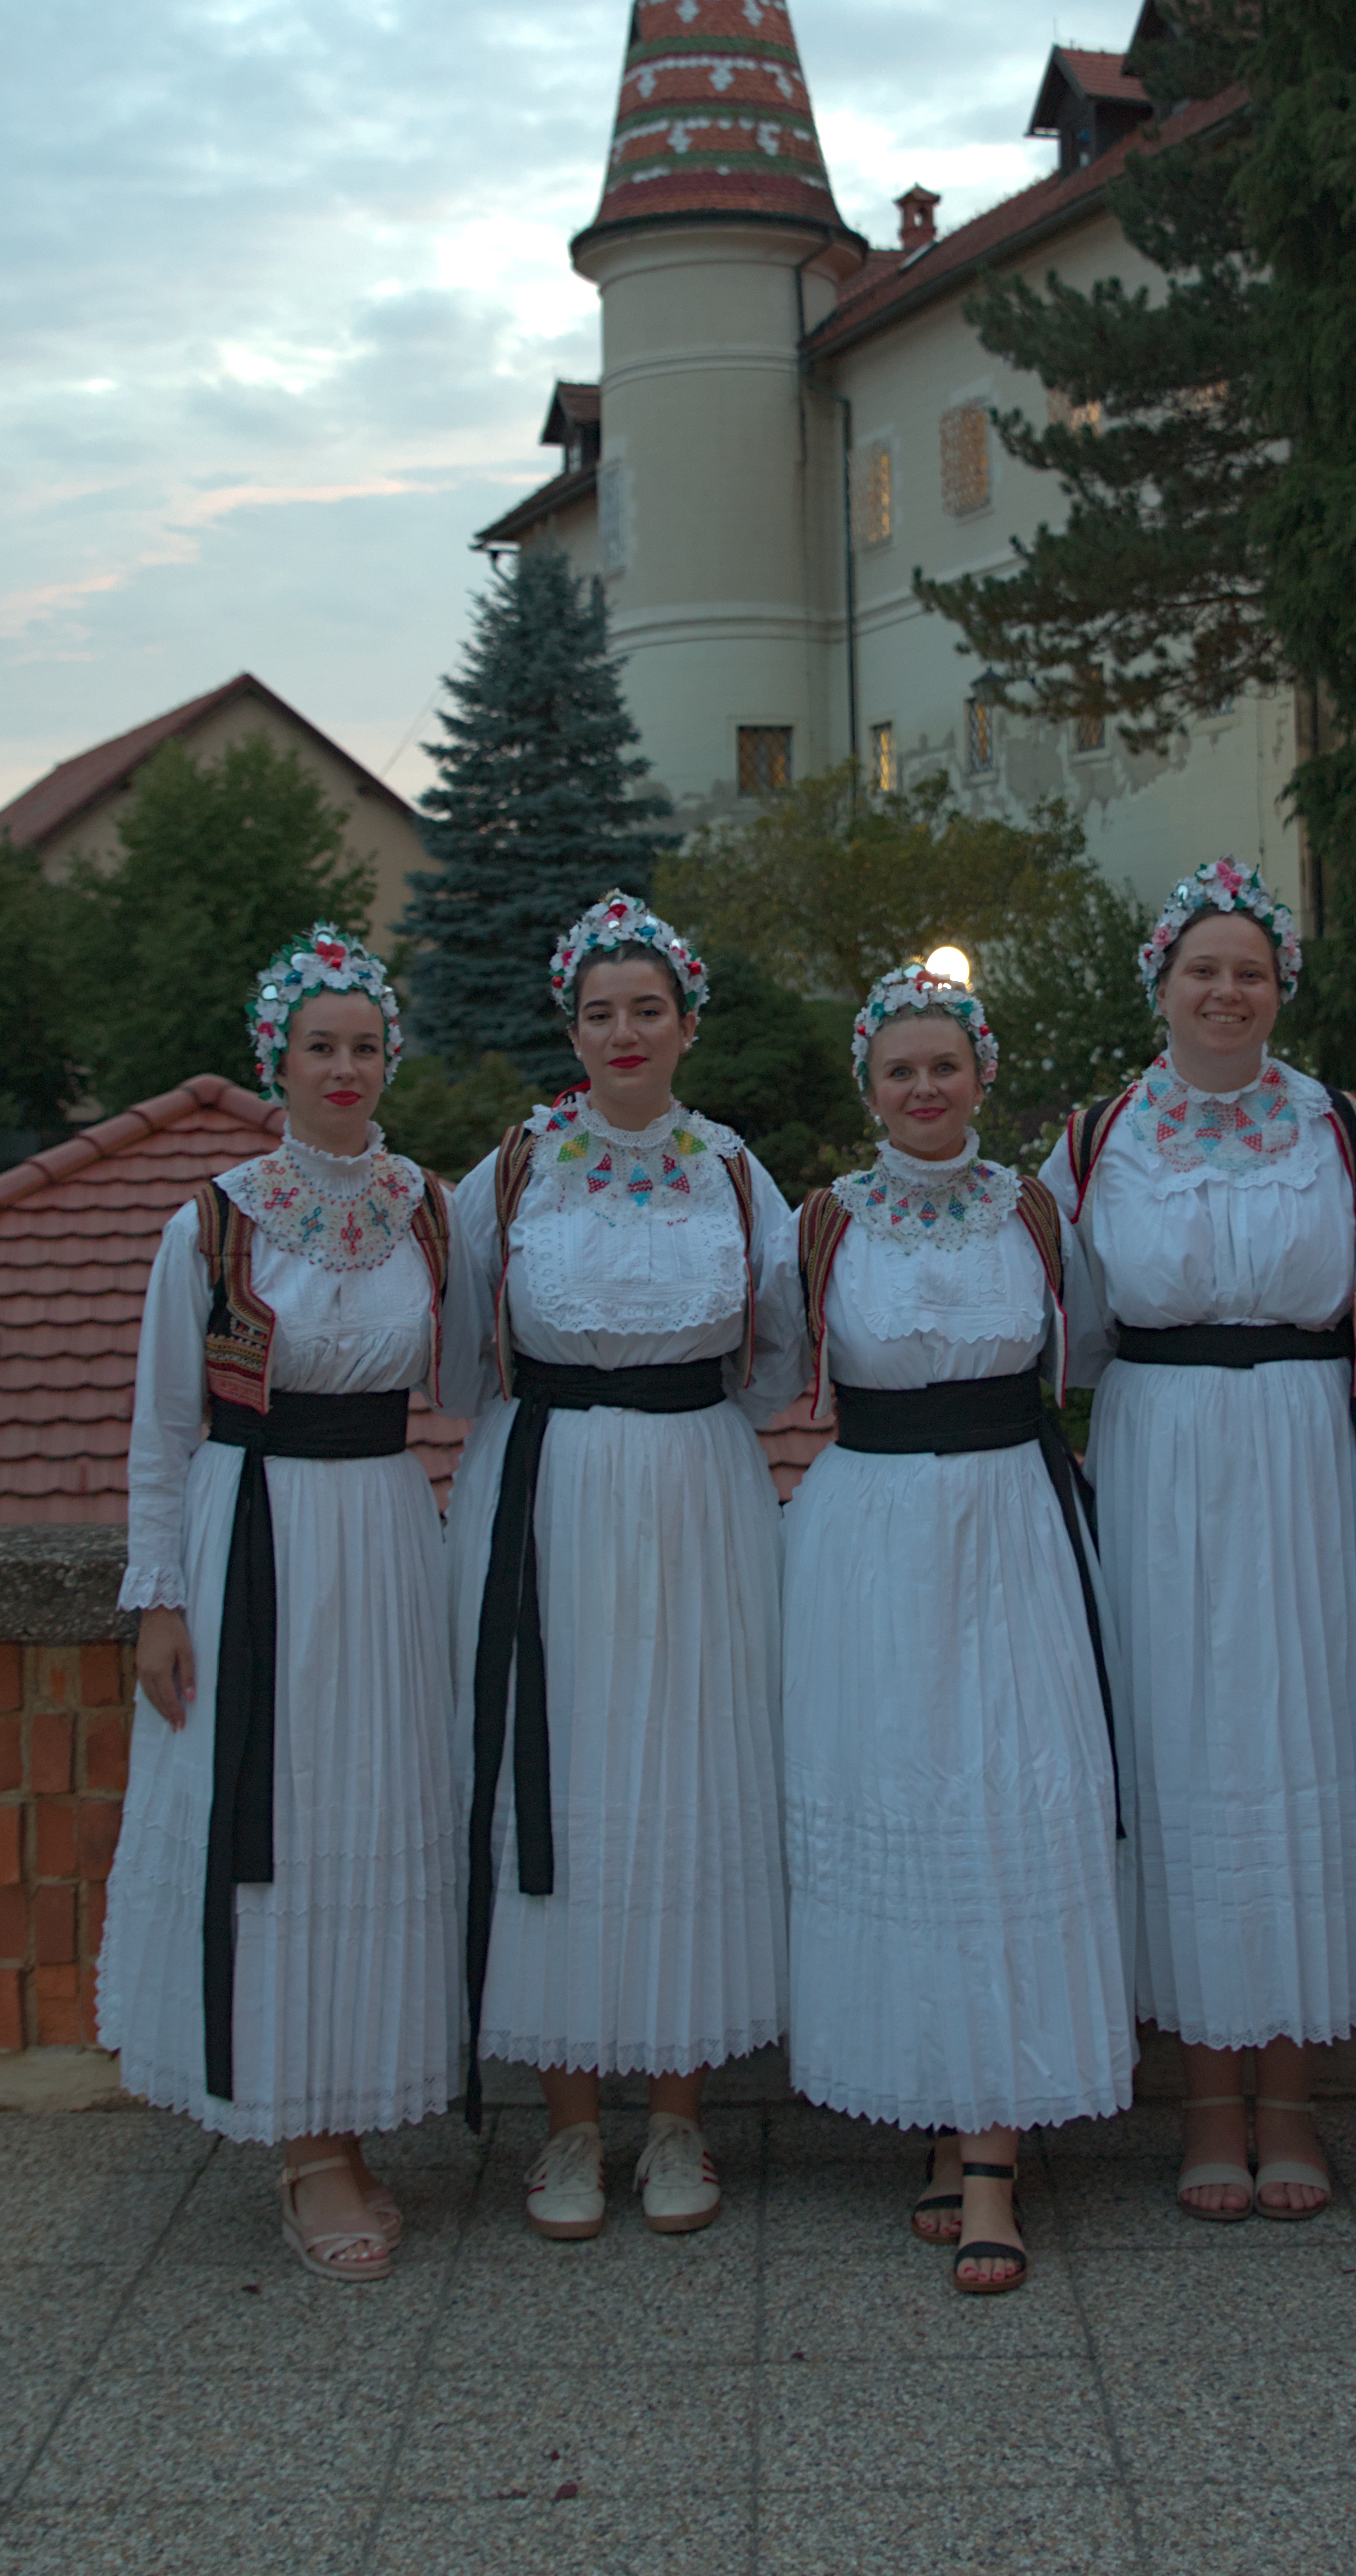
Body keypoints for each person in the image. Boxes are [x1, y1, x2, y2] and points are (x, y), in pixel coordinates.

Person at [97, 927, 469, 2282]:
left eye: (365, 1045)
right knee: (279, 1816)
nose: (344, 1067)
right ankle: (307, 2147)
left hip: (384, 1531)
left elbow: (471, 1379)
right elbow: (161, 1427)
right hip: (253, 1533)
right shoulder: (213, 1221)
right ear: (279, 1060)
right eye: (320, 1046)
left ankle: (353, 2100)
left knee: (372, 1809)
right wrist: (159, 1599)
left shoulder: (430, 1211)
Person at [446, 893, 802, 2243]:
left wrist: (681, 1428)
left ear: (687, 1023)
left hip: (696, 1491)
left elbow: (779, 1345)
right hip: (544, 1493)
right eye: (600, 1013)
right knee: (558, 1777)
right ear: (572, 1029)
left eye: (648, 1008)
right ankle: (567, 2122)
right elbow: (458, 1347)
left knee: (687, 1773)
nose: (624, 1032)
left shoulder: (733, 1169)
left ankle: (677, 2115)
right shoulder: (515, 1168)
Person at [1041, 858, 1356, 2223]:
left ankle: (1290, 2095)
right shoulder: (1098, 1139)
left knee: (1303, 1740)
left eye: (1249, 970)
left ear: (1279, 987)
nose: (1225, 991)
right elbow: (1045, 1316)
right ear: (1161, 984)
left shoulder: (1342, 1131)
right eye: (1202, 970)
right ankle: (1200, 2097)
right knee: (1175, 1747)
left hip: (1303, 1458)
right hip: (1158, 1458)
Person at [782, 964, 1131, 2297]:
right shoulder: (823, 1222)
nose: (924, 1088)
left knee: (1005, 1808)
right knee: (906, 1814)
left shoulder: (1035, 1212)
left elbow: (1085, 1350)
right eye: (899, 1071)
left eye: (946, 1065)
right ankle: (935, 2098)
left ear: (983, 1075)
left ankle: (993, 2146)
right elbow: (777, 1364)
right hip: (868, 1539)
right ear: (867, 1090)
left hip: (1012, 1527)